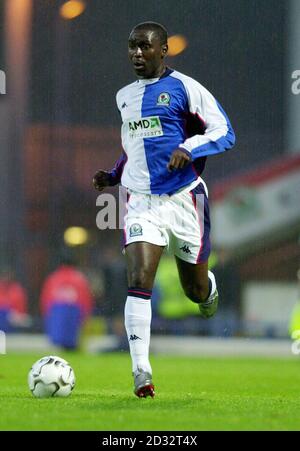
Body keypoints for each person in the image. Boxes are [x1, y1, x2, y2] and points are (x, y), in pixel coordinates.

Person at [93, 22, 235, 398]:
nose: (137, 54)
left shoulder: (186, 88)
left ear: (163, 50)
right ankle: (142, 371)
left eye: (144, 47)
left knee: (195, 290)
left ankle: (208, 292)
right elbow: (133, 150)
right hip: (140, 201)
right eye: (131, 47)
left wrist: (190, 148)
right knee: (139, 279)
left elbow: (225, 131)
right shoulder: (124, 96)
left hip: (185, 199)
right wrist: (113, 175)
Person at [40, 255, 94, 350]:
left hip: (57, 314)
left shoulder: (54, 278)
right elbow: (86, 300)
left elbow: (45, 300)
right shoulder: (79, 279)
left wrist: (47, 316)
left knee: (59, 344)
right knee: (72, 344)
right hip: (73, 314)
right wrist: (86, 316)